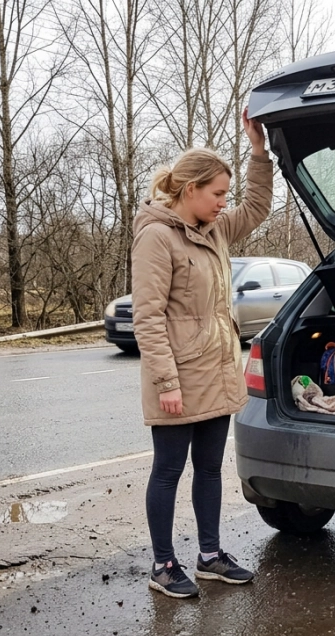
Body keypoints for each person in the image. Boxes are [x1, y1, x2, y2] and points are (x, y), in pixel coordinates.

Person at [131, 108, 272, 599]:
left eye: (225, 196)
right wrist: (166, 383)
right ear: (189, 189)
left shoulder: (215, 230)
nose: (222, 204)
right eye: (216, 194)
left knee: (210, 468)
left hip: (215, 370)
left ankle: (209, 555)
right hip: (178, 376)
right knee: (168, 470)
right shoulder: (155, 236)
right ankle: (163, 563)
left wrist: (258, 154)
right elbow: (147, 318)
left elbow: (255, 209)